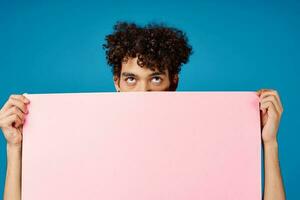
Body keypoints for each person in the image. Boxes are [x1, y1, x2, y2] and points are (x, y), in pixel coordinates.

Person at [0, 21, 286, 200]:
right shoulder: (85, 140)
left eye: (156, 79)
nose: (143, 92)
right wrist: (14, 149)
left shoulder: (204, 143)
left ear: (174, 82)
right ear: (117, 82)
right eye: (131, 79)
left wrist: (269, 143)